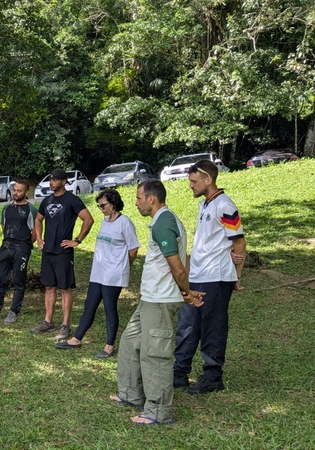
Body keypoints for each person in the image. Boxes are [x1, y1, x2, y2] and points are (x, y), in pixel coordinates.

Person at [110, 180, 204, 426]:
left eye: (139, 198)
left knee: (155, 355)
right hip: (150, 299)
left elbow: (177, 267)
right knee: (130, 343)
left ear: (152, 199)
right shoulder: (163, 221)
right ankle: (131, 394)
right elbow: (180, 264)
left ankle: (158, 411)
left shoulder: (163, 222)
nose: (136, 202)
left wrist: (187, 293)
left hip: (160, 300)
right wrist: (187, 291)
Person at [173, 160, 246, 394]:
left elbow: (239, 241)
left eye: (194, 182)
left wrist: (237, 276)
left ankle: (213, 376)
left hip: (215, 277)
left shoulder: (225, 205)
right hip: (197, 274)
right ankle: (179, 372)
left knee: (212, 327)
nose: (191, 186)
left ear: (208, 180)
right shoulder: (205, 204)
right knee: (187, 325)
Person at [55, 189, 140, 358]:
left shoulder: (125, 223)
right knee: (90, 305)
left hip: (113, 274)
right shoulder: (105, 221)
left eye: (103, 205)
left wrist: (124, 267)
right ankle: (76, 339)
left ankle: (109, 346)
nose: (101, 209)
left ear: (114, 204)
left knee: (109, 307)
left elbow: (133, 249)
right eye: (99, 205)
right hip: (99, 273)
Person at [32, 169, 94, 339]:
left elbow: (88, 219)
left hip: (63, 252)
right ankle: (48, 321)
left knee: (65, 288)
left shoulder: (72, 200)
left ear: (64, 181)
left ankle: (65, 325)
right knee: (49, 286)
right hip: (48, 251)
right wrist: (39, 238)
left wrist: (77, 240)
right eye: (51, 180)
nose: (52, 182)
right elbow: (38, 219)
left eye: (55, 180)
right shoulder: (47, 200)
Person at [0, 180, 38, 325]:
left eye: (19, 191)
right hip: (6, 247)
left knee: (19, 281)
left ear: (26, 192)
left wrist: (25, 245)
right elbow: (3, 227)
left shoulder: (31, 209)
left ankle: (13, 311)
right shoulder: (6, 209)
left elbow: (35, 232)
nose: (16, 193)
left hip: (22, 249)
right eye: (14, 190)